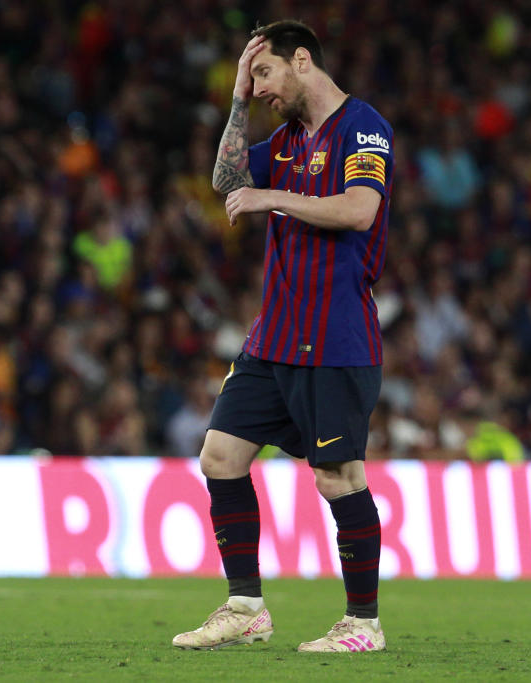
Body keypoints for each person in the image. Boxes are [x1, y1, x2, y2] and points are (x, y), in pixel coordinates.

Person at [172, 20, 393, 653]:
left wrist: (274, 196)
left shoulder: (364, 127)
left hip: (337, 337)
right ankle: (245, 606)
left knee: (338, 476)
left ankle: (363, 623)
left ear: (302, 60)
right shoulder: (286, 140)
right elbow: (225, 179)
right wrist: (238, 102)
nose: (259, 87)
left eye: (263, 73)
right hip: (275, 338)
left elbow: (359, 210)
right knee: (220, 455)